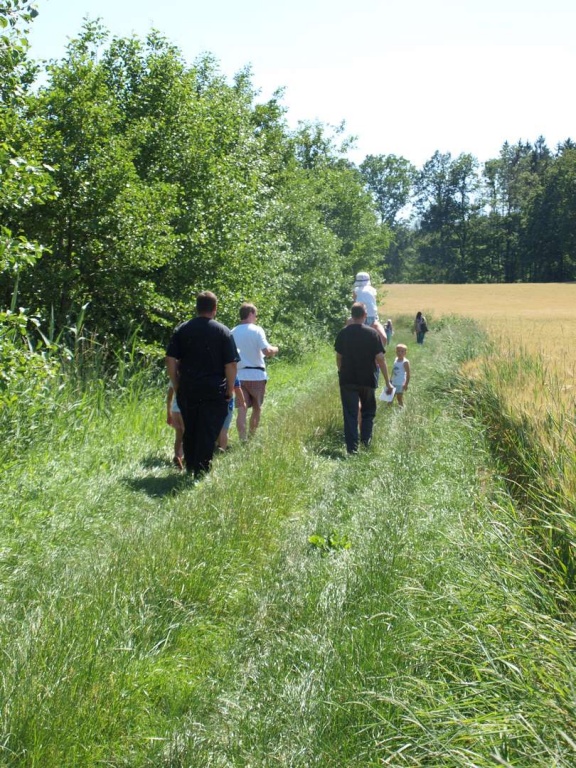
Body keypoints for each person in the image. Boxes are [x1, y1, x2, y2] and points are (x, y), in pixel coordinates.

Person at [165, 291, 239, 479]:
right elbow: (231, 364)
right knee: (208, 429)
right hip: (214, 389)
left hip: (188, 387)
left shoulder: (182, 329)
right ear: (215, 309)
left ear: (197, 308)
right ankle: (201, 468)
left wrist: (176, 383)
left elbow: (170, 359)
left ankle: (191, 465)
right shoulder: (223, 331)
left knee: (190, 427)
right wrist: (230, 389)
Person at [335, 302, 392, 454]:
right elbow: (380, 359)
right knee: (368, 412)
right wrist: (387, 382)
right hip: (367, 379)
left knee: (350, 414)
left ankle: (352, 449)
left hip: (347, 379)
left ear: (352, 315)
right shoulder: (372, 334)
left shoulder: (343, 333)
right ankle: (366, 444)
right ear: (365, 315)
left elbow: (339, 357)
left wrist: (341, 372)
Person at [232, 303, 278, 441]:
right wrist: (275, 349)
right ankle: (252, 437)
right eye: (256, 315)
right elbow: (267, 351)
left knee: (242, 409)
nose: (256, 318)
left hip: (239, 376)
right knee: (257, 408)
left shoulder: (232, 332)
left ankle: (242, 438)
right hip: (257, 375)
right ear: (251, 313)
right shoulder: (257, 330)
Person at [351, 271, 388, 347]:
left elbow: (354, 304)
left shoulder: (356, 290)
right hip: (368, 318)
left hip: (363, 317)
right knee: (383, 338)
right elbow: (374, 302)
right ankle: (380, 351)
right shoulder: (372, 290)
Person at [216, 376, 246, 451]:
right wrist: (243, 402)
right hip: (227, 404)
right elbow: (237, 388)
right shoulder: (231, 374)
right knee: (224, 428)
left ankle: (216, 446)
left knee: (215, 427)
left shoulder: (214, 373)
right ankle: (222, 448)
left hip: (212, 404)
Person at [166, 384, 184, 469]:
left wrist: (168, 413)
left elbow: (169, 397)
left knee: (178, 436)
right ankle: (181, 456)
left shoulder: (174, 379)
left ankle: (177, 455)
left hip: (175, 410)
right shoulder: (188, 378)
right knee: (187, 435)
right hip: (184, 410)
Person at [390, 343, 411, 408]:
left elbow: (408, 374)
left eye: (402, 351)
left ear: (405, 352)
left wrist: (406, 384)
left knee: (399, 397)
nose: (400, 353)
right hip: (394, 381)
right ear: (396, 352)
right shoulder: (396, 359)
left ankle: (401, 408)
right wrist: (390, 379)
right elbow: (393, 370)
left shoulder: (405, 362)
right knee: (390, 396)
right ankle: (387, 408)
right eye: (398, 351)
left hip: (400, 383)